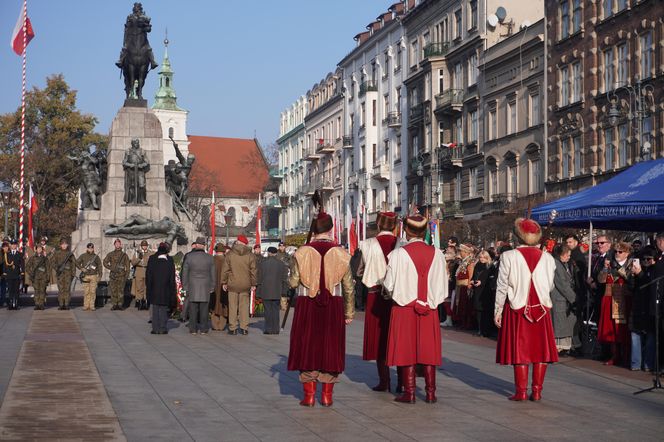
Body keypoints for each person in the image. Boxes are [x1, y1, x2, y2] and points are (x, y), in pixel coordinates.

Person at [288, 212, 355, 407]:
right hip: (333, 304)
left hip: (307, 303)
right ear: (330, 228)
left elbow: (293, 282)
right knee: (330, 346)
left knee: (307, 345)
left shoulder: (301, 252)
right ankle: (327, 395)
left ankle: (309, 396)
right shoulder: (342, 254)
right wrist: (349, 312)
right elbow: (349, 287)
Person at [383, 214, 448, 404]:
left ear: (407, 231)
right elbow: (443, 286)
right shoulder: (438, 254)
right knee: (429, 350)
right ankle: (430, 392)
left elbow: (389, 284)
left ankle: (409, 392)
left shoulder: (397, 255)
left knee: (406, 349)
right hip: (429, 308)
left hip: (404, 308)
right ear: (425, 231)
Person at [495, 218, 558, 401]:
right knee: (541, 351)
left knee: (520, 350)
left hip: (518, 308)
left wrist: (497, 311)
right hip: (542, 308)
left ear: (518, 237)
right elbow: (551, 286)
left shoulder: (508, 256)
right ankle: (537, 391)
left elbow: (502, 286)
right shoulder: (547, 258)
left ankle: (521, 391)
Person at [357, 211, 399, 392]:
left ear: (379, 225)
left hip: (375, 295)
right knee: (397, 338)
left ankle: (385, 381)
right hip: (398, 297)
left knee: (380, 339)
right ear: (395, 226)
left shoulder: (367, 244)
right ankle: (403, 382)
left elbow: (359, 271)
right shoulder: (401, 244)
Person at [597, 241, 635, 366]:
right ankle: (615, 355)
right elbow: (601, 280)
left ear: (627, 253)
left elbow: (630, 279)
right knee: (611, 330)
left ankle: (627, 356)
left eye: (620, 252)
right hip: (610, 297)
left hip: (624, 299)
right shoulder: (609, 263)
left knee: (623, 330)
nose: (617, 254)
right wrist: (605, 268)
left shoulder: (631, 264)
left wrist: (616, 267)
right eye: (616, 251)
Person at [222, 235, 257, 335]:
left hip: (232, 283)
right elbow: (253, 271)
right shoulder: (250, 255)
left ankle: (233, 328)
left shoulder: (230, 254)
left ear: (238, 242)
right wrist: (253, 283)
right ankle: (244, 327)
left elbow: (225, 270)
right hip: (245, 284)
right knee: (244, 306)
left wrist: (224, 282)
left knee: (232, 306)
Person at [630, 246, 656, 371]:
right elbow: (632, 287)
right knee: (635, 334)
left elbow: (649, 284)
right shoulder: (640, 271)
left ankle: (647, 363)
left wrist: (640, 273)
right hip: (638, 305)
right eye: (644, 259)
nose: (646, 262)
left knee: (650, 336)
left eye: (649, 259)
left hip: (649, 306)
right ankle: (636, 363)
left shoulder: (655, 270)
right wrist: (632, 275)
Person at [182, 237, 216, 335]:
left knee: (193, 309)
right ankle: (204, 329)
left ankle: (193, 329)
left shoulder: (189, 257)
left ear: (196, 245)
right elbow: (213, 274)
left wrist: (185, 286)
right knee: (204, 309)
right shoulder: (210, 257)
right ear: (204, 245)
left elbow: (185, 273)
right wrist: (212, 286)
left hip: (193, 286)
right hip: (205, 286)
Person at [550, 245, 578, 356]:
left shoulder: (564, 264)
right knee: (560, 324)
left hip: (564, 299)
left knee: (565, 324)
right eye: (567, 254)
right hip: (560, 299)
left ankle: (564, 347)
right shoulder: (557, 264)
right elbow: (562, 284)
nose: (569, 257)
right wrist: (574, 299)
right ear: (561, 254)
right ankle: (559, 348)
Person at [257, 246, 288, 334]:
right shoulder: (281, 264)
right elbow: (284, 278)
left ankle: (268, 329)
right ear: (275, 253)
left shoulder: (262, 264)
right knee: (275, 310)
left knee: (268, 310)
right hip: (277, 290)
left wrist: (258, 290)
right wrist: (284, 291)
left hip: (266, 290)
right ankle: (275, 329)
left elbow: (259, 278)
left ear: (269, 253)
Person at [146, 243, 176, 334]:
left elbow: (148, 276)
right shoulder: (170, 262)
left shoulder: (152, 261)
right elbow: (172, 278)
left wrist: (149, 287)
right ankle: (163, 328)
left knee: (155, 309)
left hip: (154, 288)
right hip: (165, 289)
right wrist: (172, 290)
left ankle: (155, 328)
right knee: (163, 309)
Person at [471, 250, 493, 337]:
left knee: (486, 311)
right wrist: (473, 280)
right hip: (478, 290)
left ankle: (485, 330)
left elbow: (491, 279)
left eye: (484, 257)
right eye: (480, 257)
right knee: (478, 310)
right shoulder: (477, 265)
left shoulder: (490, 266)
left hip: (486, 291)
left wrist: (482, 282)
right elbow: (474, 275)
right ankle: (480, 329)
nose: (482, 259)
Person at [104, 239, 131, 310]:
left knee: (121, 291)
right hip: (113, 275)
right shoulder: (110, 254)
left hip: (121, 276)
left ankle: (120, 304)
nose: (117, 245)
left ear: (120, 245)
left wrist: (126, 276)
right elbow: (105, 262)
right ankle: (114, 304)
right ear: (114, 245)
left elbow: (127, 267)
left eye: (119, 244)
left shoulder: (124, 255)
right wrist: (111, 268)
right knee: (113, 291)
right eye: (116, 244)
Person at [50, 238, 76, 310]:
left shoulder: (70, 254)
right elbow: (52, 262)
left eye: (65, 244)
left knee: (67, 289)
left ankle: (66, 304)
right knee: (61, 289)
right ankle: (61, 304)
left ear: (67, 245)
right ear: (60, 245)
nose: (64, 246)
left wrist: (73, 274)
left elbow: (74, 264)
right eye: (63, 244)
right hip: (60, 274)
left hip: (68, 274)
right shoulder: (57, 253)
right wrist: (57, 268)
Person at [454, 244, 476, 329]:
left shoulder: (470, 261)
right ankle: (461, 322)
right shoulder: (463, 261)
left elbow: (470, 274)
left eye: (461, 251)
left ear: (466, 252)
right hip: (460, 286)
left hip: (466, 286)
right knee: (460, 305)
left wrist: (469, 285)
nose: (460, 253)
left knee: (465, 305)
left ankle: (467, 323)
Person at [76, 243, 103, 311]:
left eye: (92, 248)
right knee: (86, 292)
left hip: (94, 275)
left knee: (93, 291)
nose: (90, 249)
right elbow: (76, 263)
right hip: (86, 276)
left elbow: (99, 266)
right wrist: (82, 268)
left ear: (93, 248)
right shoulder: (83, 256)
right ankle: (86, 305)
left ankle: (92, 306)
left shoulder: (96, 257)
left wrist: (100, 275)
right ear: (87, 248)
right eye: (89, 248)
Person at [26, 244, 50, 310]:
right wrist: (31, 273)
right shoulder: (33, 258)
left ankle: (41, 304)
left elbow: (48, 268)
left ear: (42, 250)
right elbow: (27, 267)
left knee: (42, 291)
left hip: (43, 277)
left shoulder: (45, 258)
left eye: (40, 248)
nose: (39, 249)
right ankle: (37, 304)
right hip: (35, 277)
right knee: (36, 291)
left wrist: (48, 277)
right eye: (38, 248)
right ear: (36, 249)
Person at [211, 243, 229, 331]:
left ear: (215, 251)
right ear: (224, 251)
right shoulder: (226, 260)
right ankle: (221, 326)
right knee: (223, 305)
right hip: (224, 286)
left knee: (214, 305)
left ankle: (215, 325)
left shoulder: (212, 260)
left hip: (213, 286)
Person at [131, 240, 152, 310]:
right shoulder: (137, 253)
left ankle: (146, 302)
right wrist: (139, 258)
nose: (144, 247)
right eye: (143, 245)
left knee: (146, 287)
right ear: (141, 246)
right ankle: (139, 302)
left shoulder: (150, 253)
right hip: (139, 271)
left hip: (147, 271)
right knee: (139, 288)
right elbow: (133, 263)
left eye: (145, 245)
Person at [3, 239, 24, 310]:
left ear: (16, 245)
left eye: (15, 244)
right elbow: (5, 265)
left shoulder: (20, 254)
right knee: (10, 290)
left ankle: (16, 304)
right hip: (9, 275)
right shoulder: (7, 254)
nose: (13, 246)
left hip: (17, 274)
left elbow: (22, 265)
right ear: (10, 245)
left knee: (16, 290)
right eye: (12, 244)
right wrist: (5, 273)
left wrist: (22, 273)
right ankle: (10, 304)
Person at [0, 240, 10, 307]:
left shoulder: (8, 254)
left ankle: (3, 301)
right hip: (1, 274)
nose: (6, 248)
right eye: (5, 247)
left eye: (7, 247)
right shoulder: (1, 254)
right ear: (2, 247)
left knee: (4, 289)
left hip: (5, 274)